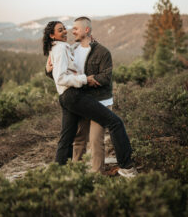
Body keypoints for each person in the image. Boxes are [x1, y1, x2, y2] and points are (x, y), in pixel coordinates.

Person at [43, 21, 138, 178]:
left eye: (70, 29)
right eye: (61, 30)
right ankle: (127, 168)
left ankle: (59, 177)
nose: (67, 32)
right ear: (52, 35)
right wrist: (85, 79)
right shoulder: (62, 48)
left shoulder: (94, 50)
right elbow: (59, 77)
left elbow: (64, 71)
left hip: (67, 97)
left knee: (66, 138)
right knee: (115, 123)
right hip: (73, 96)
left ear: (86, 30)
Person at [46, 16, 113, 173]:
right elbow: (60, 75)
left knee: (96, 140)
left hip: (100, 101)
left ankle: (98, 175)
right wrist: (48, 70)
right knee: (79, 139)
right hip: (80, 100)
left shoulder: (102, 52)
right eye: (70, 28)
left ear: (86, 30)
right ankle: (77, 174)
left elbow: (106, 77)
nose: (71, 31)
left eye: (75, 28)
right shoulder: (71, 49)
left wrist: (89, 80)